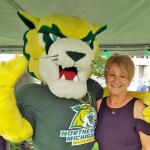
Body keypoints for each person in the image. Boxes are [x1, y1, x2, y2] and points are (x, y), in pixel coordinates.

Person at [95, 54, 150, 150]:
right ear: (106, 77)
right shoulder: (99, 104)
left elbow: (147, 147)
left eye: (122, 76)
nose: (116, 80)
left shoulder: (138, 107)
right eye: (112, 74)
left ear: (129, 80)